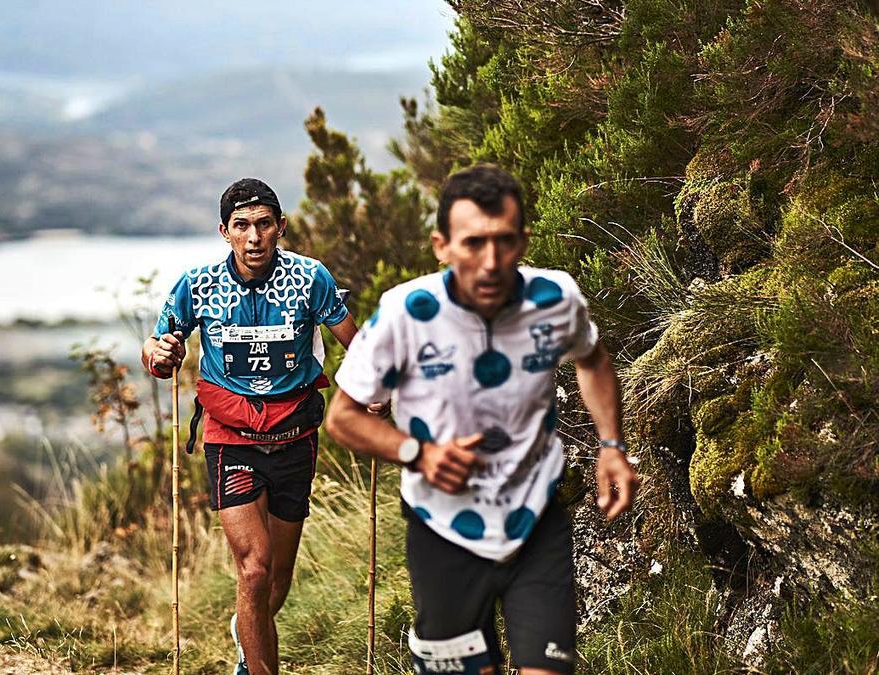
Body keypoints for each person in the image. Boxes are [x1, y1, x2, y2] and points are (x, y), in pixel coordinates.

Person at [325, 164, 639, 675]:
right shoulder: (404, 313)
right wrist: (418, 453)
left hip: (535, 517)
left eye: (505, 242)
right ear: (441, 246)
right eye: (473, 244)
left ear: (523, 239)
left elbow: (594, 360)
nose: (491, 263)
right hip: (441, 530)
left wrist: (611, 446)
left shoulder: (555, 300)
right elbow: (342, 417)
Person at [143, 177, 374, 675]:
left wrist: (375, 388)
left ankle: (247, 633)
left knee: (276, 584)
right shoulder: (197, 284)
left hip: (295, 439)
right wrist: (160, 354)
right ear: (224, 231)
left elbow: (357, 344)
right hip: (232, 442)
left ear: (281, 228)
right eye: (242, 226)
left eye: (264, 224)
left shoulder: (310, 279)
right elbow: (158, 348)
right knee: (254, 570)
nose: (254, 237)